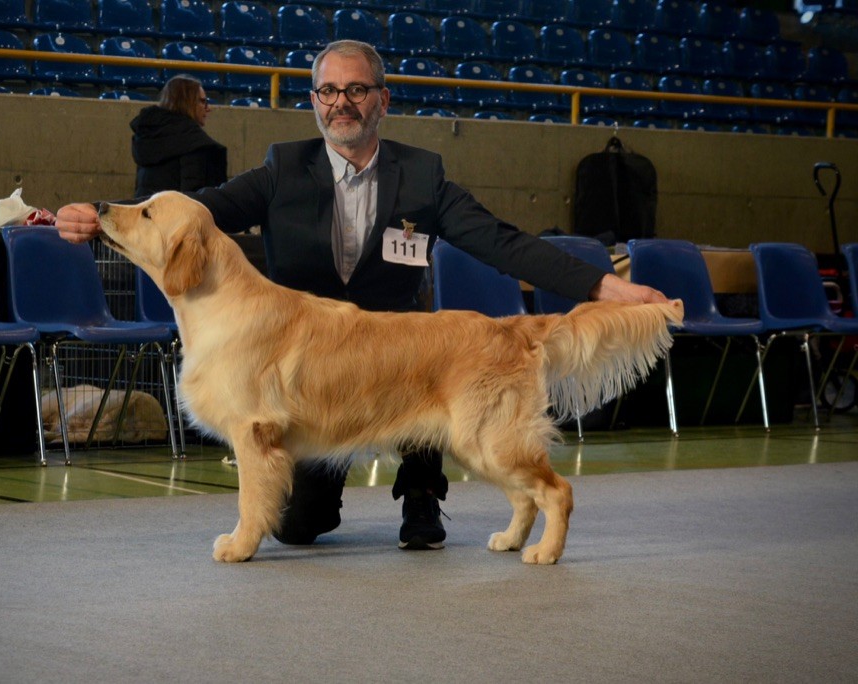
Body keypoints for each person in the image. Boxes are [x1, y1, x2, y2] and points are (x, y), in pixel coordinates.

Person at [56, 40, 667, 551]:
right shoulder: (281, 169)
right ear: (314, 101)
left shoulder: (422, 175)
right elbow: (191, 216)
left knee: (455, 417)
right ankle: (309, 503)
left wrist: (605, 286)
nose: (340, 103)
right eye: (327, 91)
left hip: (409, 357)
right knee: (297, 530)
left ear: (382, 99)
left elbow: (500, 242)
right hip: (315, 368)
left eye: (355, 90)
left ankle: (423, 491)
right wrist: (98, 219)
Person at [129, 75, 227, 197]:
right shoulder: (195, 144)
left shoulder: (148, 135)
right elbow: (193, 200)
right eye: (203, 101)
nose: (208, 108)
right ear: (188, 103)